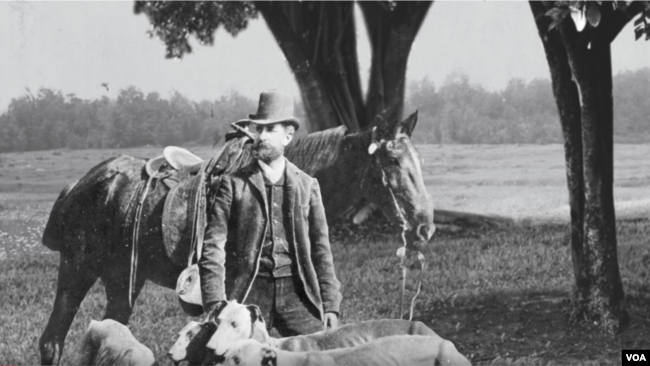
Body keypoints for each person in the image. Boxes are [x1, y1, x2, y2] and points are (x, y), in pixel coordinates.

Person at [198, 89, 342, 336]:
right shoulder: (233, 184)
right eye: (258, 129)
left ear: (288, 136)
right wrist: (216, 304)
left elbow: (321, 249)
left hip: (298, 293)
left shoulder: (307, 185)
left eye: (270, 129)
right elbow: (213, 247)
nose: (261, 136)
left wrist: (330, 305)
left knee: (322, 353)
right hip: (248, 293)